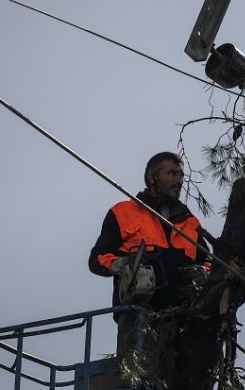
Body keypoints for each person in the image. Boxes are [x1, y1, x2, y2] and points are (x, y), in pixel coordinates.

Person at [88, 151, 210, 359]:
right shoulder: (124, 212)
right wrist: (122, 264)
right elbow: (97, 258)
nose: (178, 180)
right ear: (152, 178)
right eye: (171, 173)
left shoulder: (190, 222)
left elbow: (208, 262)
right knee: (138, 385)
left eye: (180, 175)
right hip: (138, 315)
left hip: (184, 318)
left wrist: (202, 272)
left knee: (187, 383)